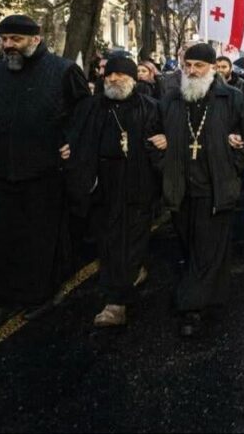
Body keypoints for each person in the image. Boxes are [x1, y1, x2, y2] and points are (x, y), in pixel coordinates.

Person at [0, 15, 90, 333]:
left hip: (44, 172)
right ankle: (2, 300)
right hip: (0, 171)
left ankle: (38, 296)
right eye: (4, 39)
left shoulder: (64, 71)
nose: (8, 45)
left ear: (35, 40)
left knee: (38, 240)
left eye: (16, 40)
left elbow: (84, 115)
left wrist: (71, 143)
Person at [160, 43, 244, 337]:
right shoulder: (172, 98)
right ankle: (211, 295)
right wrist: (162, 162)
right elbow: (153, 136)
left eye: (198, 66)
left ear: (212, 68)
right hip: (181, 186)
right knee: (191, 245)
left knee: (208, 247)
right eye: (187, 65)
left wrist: (232, 167)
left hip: (216, 188)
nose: (191, 71)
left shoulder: (233, 98)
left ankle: (191, 309)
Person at [67, 56, 166, 327]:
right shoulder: (91, 107)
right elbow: (78, 140)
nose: (113, 79)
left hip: (139, 183)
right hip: (103, 185)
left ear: (133, 79)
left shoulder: (151, 107)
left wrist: (164, 140)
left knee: (132, 240)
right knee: (109, 243)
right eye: (109, 75)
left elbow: (163, 138)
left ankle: (116, 303)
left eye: (120, 75)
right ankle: (125, 278)